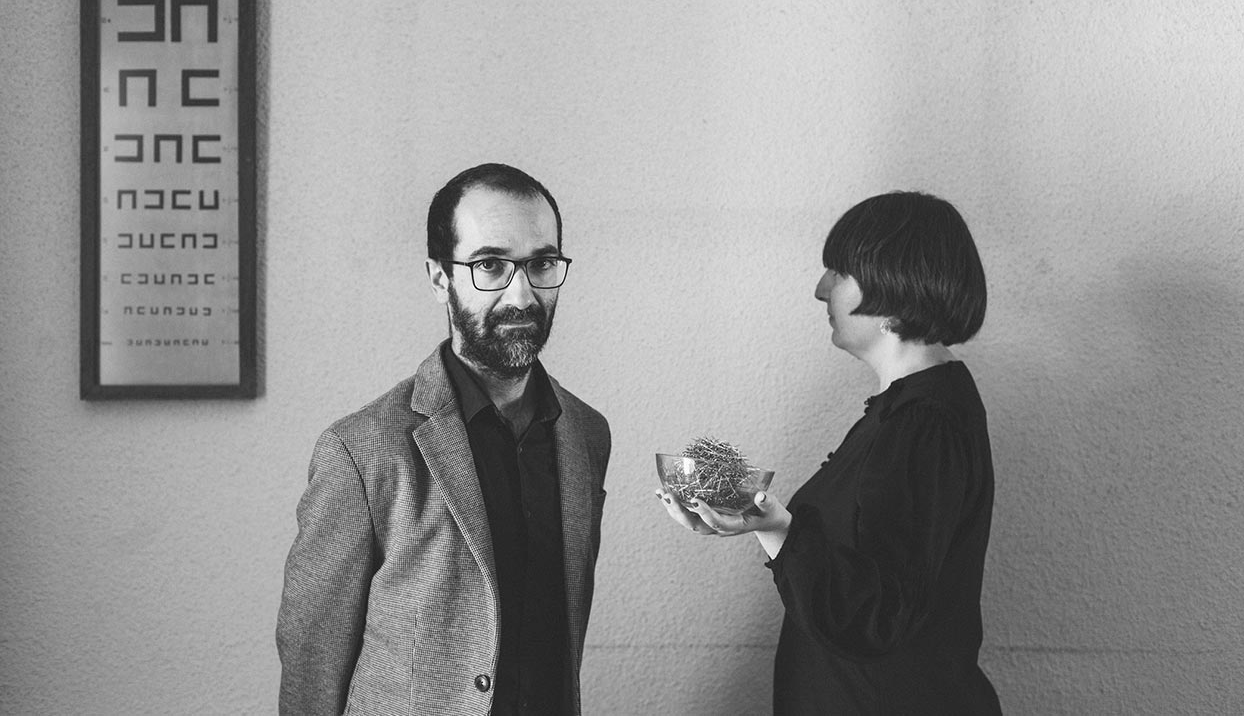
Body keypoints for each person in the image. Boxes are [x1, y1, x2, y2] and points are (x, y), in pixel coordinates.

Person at [278, 163, 611, 716]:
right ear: (439, 279)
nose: (522, 293)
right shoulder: (359, 451)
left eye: (541, 263)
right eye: (490, 265)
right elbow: (312, 661)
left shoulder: (586, 433)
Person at [658, 191, 1002, 715]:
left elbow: (877, 615)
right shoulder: (907, 412)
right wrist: (760, 522)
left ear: (893, 285)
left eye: (840, 271)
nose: (821, 289)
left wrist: (779, 528)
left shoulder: (924, 423)